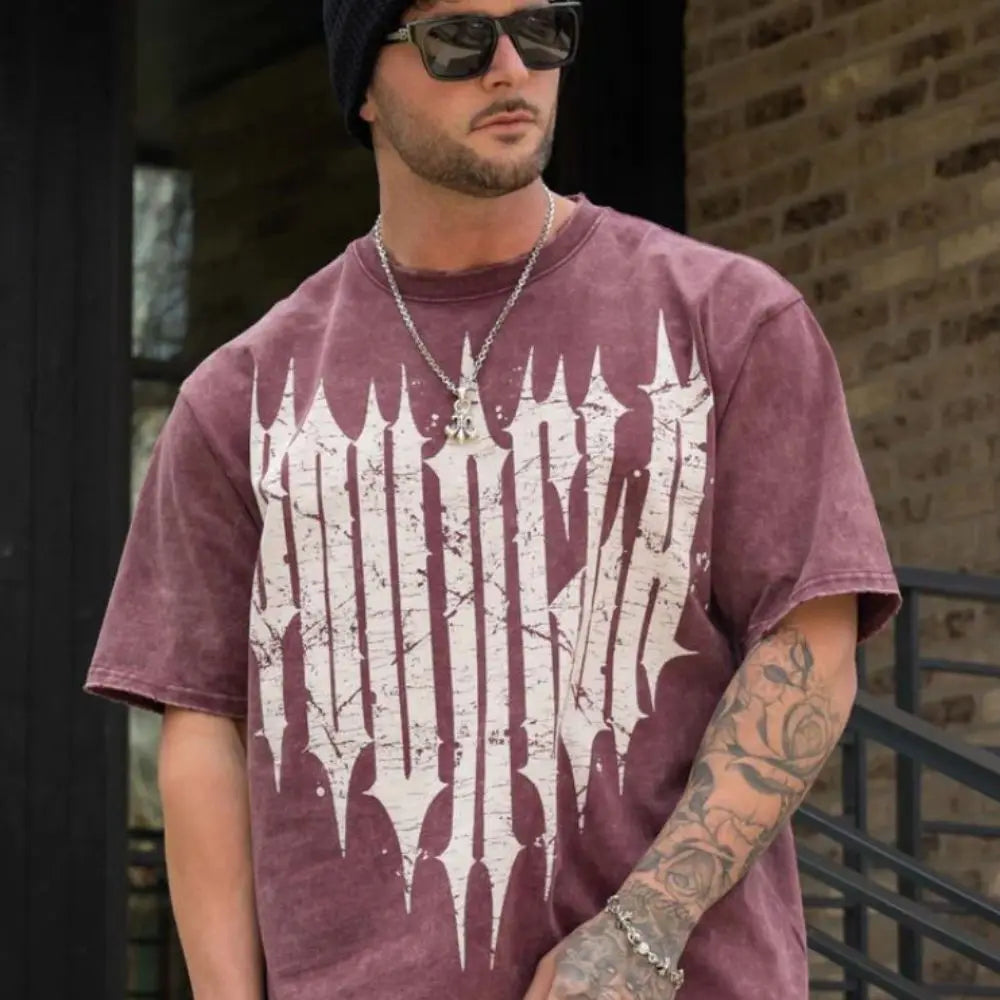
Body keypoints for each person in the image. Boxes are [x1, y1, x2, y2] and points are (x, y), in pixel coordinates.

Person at [84, 0, 902, 997]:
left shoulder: (729, 322)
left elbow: (810, 644)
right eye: (458, 39)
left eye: (543, 29)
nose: (511, 67)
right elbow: (203, 725)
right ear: (364, 86)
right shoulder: (240, 400)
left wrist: (642, 931)